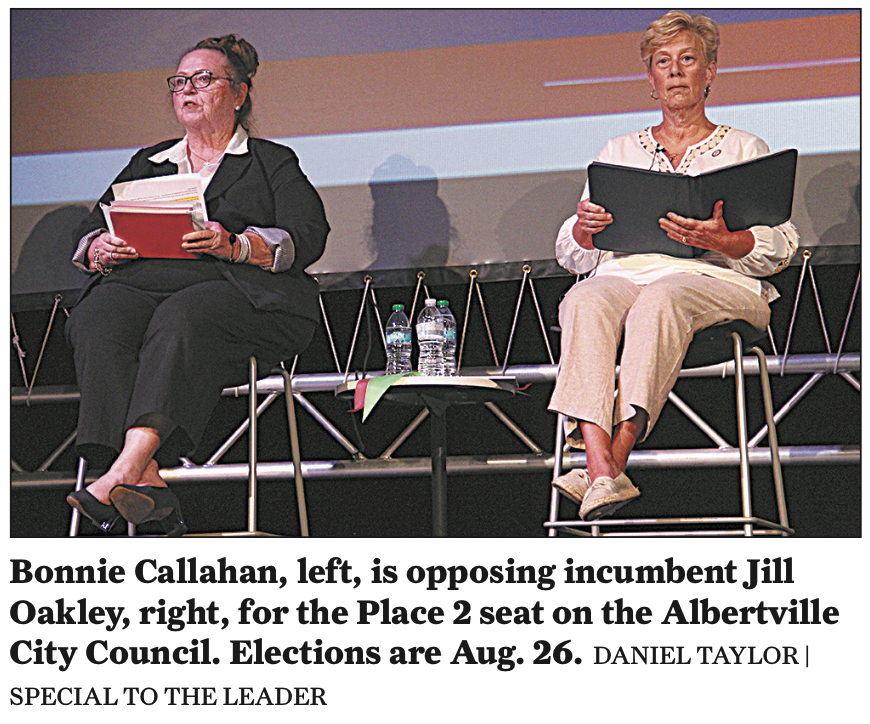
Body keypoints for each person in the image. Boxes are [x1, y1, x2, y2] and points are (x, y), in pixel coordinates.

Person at [65, 34, 329, 535]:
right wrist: (101, 247)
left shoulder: (270, 161)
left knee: (183, 313)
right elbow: (92, 227)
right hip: (146, 286)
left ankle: (123, 470)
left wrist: (237, 245)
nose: (188, 89)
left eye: (204, 79)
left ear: (239, 93)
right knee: (99, 315)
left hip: (243, 296)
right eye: (180, 81)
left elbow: (309, 234)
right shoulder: (150, 161)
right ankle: (144, 477)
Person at [548, 11, 798, 521]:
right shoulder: (618, 151)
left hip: (716, 281)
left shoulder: (743, 148)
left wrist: (727, 240)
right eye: (663, 62)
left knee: (664, 296)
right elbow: (573, 252)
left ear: (710, 72)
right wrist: (585, 230)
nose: (676, 71)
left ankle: (609, 463)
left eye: (688, 59)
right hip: (626, 275)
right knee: (584, 297)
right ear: (651, 78)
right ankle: (602, 467)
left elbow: (782, 245)